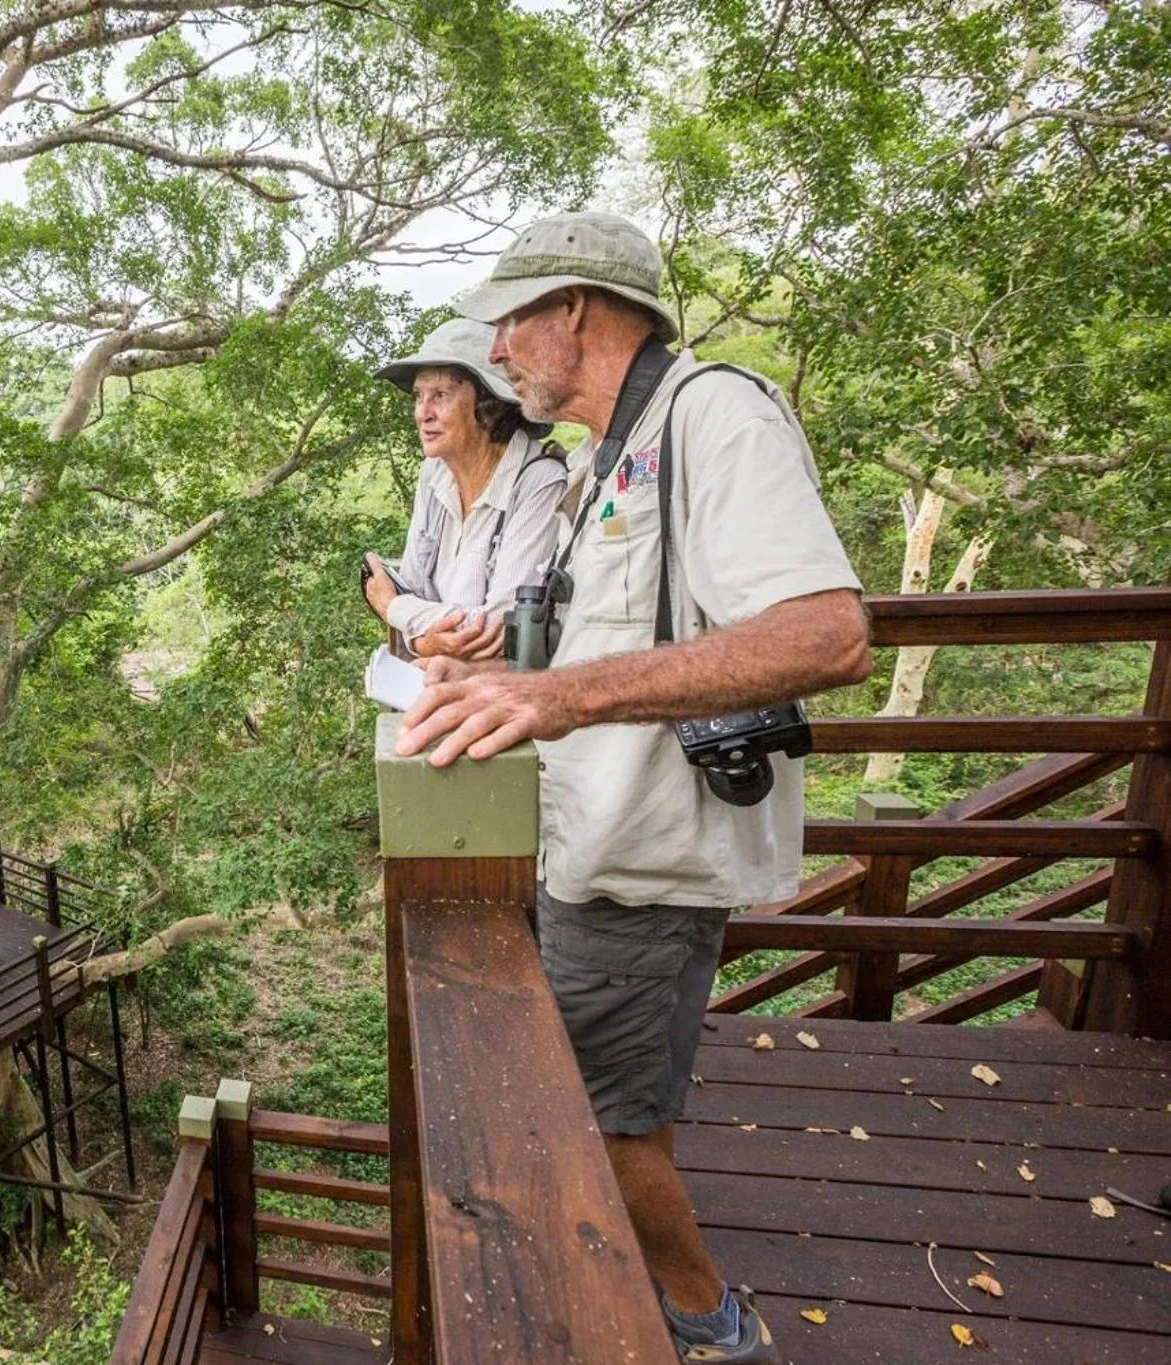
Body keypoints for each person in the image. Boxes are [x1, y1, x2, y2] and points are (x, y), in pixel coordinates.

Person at [396, 212, 872, 1365]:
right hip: (581, 842)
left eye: (510, 323)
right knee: (590, 1102)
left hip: (643, 864)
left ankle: (709, 1326)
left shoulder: (712, 415)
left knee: (600, 1122)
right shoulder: (603, 456)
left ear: (574, 310)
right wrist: (499, 671)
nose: (494, 352)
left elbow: (825, 633)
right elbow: (606, 641)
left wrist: (561, 698)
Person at [361, 318, 567, 661]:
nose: (422, 413)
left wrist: (392, 607)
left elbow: (501, 629)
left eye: (440, 395)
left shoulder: (540, 482)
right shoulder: (434, 473)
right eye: (418, 396)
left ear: (488, 406)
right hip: (444, 680)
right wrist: (422, 642)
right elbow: (414, 586)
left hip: (507, 690)